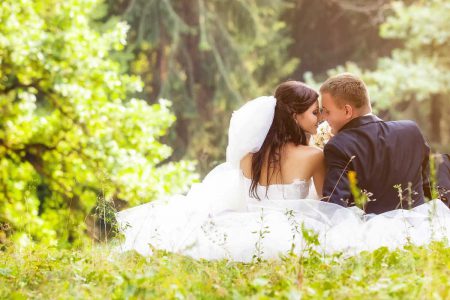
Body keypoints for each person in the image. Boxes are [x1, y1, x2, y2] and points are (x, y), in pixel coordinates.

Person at [116, 80, 450, 262]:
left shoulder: (249, 157)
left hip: (249, 222)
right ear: (295, 116)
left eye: (325, 112)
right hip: (293, 227)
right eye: (316, 112)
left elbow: (245, 194)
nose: (321, 119)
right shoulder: (316, 155)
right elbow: (329, 204)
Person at [320, 73, 431, 214]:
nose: (323, 117)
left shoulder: (338, 145)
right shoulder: (411, 130)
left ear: (347, 111)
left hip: (370, 232)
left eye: (326, 111)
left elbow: (334, 207)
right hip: (419, 227)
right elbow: (431, 183)